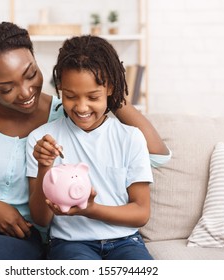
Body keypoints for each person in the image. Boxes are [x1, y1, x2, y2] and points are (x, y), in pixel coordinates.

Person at [0, 22, 169, 260]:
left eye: (31, 74)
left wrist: (109, 84)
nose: (26, 92)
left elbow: (155, 156)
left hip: (12, 238)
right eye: (6, 88)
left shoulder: (64, 112)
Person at [26, 35, 171, 260]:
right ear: (60, 88)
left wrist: (90, 210)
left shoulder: (130, 137)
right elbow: (41, 219)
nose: (81, 107)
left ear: (110, 89)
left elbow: (141, 213)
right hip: (71, 243)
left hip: (125, 242)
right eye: (71, 96)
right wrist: (44, 167)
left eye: (93, 96)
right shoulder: (42, 140)